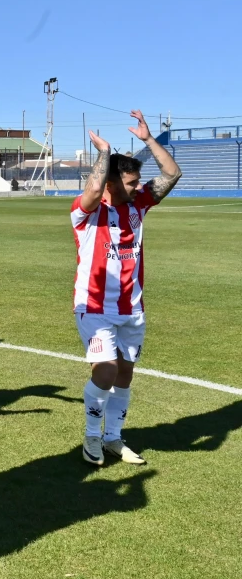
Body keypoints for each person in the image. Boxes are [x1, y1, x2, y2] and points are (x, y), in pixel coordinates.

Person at [73, 111, 181, 467]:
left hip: (132, 308)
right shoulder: (85, 213)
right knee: (105, 369)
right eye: (131, 182)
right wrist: (104, 152)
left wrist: (150, 139)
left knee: (124, 373)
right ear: (111, 182)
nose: (138, 187)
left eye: (137, 182)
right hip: (93, 305)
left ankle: (113, 437)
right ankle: (91, 435)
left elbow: (171, 174)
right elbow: (92, 189)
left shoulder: (139, 205)